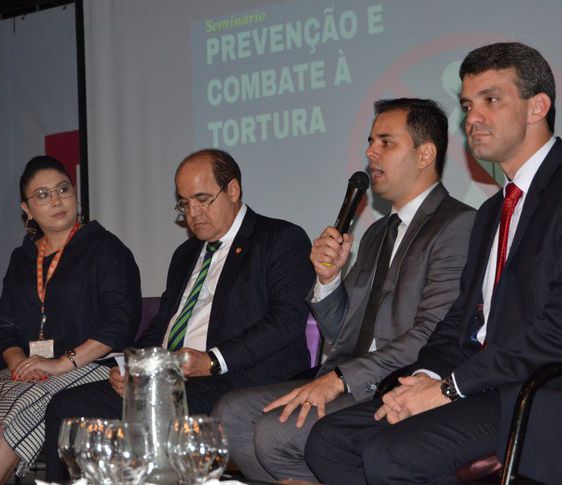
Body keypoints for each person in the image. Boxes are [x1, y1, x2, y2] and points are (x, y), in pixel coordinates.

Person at [305, 41, 562, 485]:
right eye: (467, 105)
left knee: (391, 455)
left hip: (535, 391)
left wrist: (448, 388)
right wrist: (423, 377)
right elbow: (458, 321)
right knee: (330, 440)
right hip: (478, 382)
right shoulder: (491, 212)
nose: (472, 118)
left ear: (537, 106)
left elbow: (555, 333)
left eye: (490, 100)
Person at [213, 98, 476, 482]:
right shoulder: (375, 233)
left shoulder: (457, 224)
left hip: (398, 382)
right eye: (370, 141)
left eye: (386, 142)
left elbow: (431, 335)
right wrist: (329, 280)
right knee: (231, 415)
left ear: (425, 154)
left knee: (275, 433)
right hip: (351, 374)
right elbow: (343, 332)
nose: (370, 152)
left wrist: (339, 379)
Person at [44, 148, 315, 481]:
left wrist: (212, 361)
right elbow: (164, 324)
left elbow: (287, 320)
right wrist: (132, 367)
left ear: (232, 190)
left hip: (239, 378)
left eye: (202, 200)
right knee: (66, 407)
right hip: (175, 378)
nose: (193, 214)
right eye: (185, 204)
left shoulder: (279, 239)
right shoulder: (186, 254)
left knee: (157, 407)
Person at [0, 156, 142, 485]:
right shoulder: (23, 257)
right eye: (42, 195)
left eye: (63, 190)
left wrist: (59, 364)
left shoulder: (106, 248)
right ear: (26, 209)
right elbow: (5, 328)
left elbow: (119, 324)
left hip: (90, 366)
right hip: (35, 369)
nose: (56, 200)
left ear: (75, 194)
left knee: (3, 427)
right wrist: (20, 365)